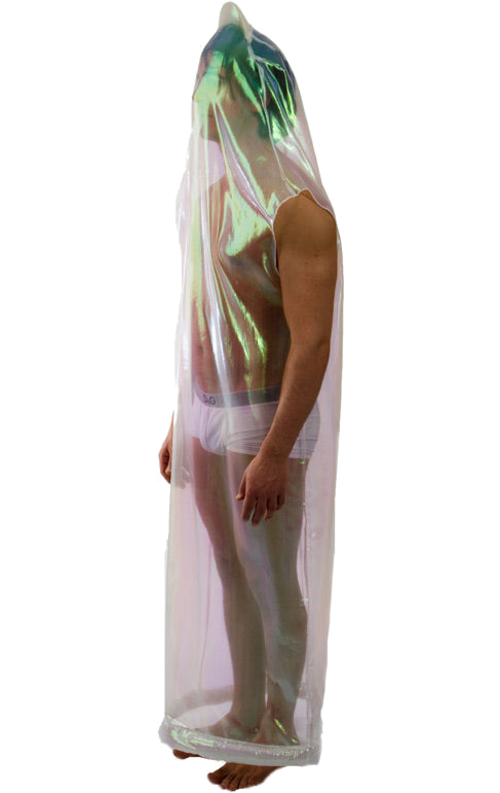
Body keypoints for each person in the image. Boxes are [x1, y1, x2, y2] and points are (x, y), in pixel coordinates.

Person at [158, 3, 343, 790]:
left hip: (264, 413)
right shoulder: (211, 197)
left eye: (213, 87)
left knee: (270, 573)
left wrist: (274, 449)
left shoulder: (299, 212)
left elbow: (312, 344)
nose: (200, 101)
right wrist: (181, 416)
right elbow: (199, 320)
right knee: (231, 565)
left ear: (245, 97)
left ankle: (278, 727)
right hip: (208, 408)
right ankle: (242, 710)